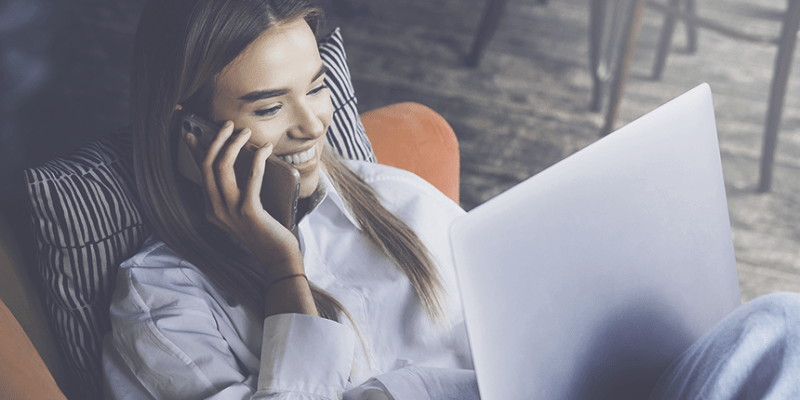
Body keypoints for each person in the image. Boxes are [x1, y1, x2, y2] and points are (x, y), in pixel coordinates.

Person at [101, 0, 478, 399]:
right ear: (193, 132)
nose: (313, 125)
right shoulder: (161, 303)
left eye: (317, 87)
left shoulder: (400, 198)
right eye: (270, 108)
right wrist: (282, 268)